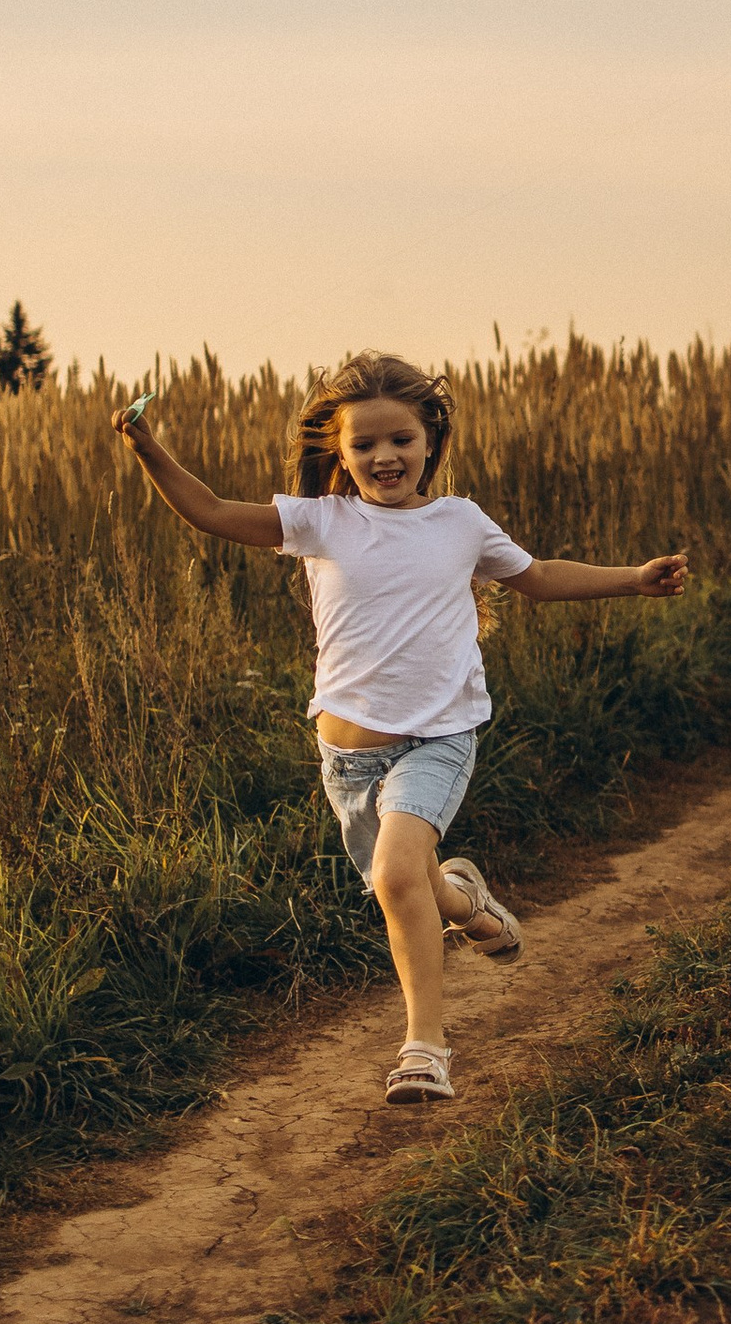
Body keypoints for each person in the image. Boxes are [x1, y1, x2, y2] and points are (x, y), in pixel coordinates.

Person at [115, 349, 687, 1107]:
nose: (384, 456)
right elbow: (213, 512)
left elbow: (539, 578)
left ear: (430, 443)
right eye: (364, 445)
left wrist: (632, 579)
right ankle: (467, 900)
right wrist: (148, 448)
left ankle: (426, 1048)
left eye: (401, 441)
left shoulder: (460, 522)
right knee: (411, 883)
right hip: (346, 760)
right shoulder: (320, 522)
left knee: (392, 876)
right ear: (341, 454)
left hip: (438, 738)